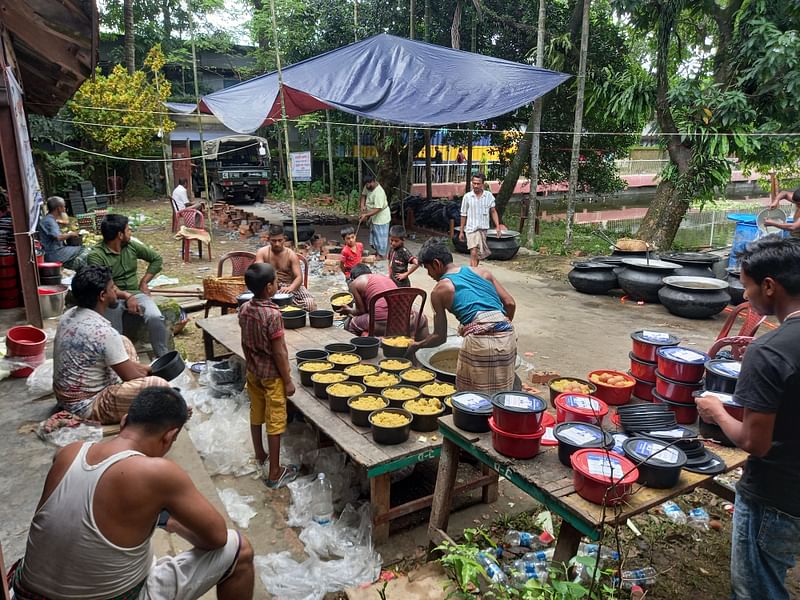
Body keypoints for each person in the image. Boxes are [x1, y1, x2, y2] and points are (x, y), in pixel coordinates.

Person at [11, 387, 254, 599]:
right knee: (238, 549)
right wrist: (172, 523)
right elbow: (217, 538)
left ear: (125, 420)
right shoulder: (159, 473)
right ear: (170, 437)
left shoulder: (69, 452)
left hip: (24, 593)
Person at [695, 236, 800, 600]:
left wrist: (717, 411)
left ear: (769, 286)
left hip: (777, 493)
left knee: (758, 590)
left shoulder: (770, 352)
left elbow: (754, 442)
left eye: (746, 287)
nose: (744, 299)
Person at [53, 265, 171, 424]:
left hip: (65, 395)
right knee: (160, 386)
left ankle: (127, 382)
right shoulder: (104, 332)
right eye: (112, 287)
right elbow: (132, 377)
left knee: (123, 341)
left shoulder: (69, 314)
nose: (116, 290)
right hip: (86, 406)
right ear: (102, 295)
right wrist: (151, 370)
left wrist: (143, 369)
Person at [408, 239, 516, 394]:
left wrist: (417, 345)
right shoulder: (482, 272)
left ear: (436, 264)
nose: (429, 274)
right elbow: (510, 303)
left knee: (473, 396)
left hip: (479, 344)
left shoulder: (439, 291)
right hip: (508, 336)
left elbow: (439, 337)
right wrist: (500, 327)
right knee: (501, 392)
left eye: (427, 269)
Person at [239, 263, 298, 489]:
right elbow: (279, 351)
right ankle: (275, 471)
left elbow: (246, 341)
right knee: (275, 420)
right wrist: (288, 381)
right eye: (275, 282)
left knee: (257, 412)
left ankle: (260, 454)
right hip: (272, 376)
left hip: (253, 372)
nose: (278, 285)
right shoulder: (272, 314)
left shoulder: (244, 309)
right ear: (269, 288)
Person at [87, 214, 171, 357]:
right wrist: (126, 296)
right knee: (113, 332)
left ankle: (163, 356)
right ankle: (120, 361)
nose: (130, 232)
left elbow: (156, 259)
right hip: (111, 298)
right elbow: (104, 283)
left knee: (155, 317)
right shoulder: (96, 255)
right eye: (128, 229)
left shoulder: (131, 246)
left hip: (135, 293)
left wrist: (144, 282)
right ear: (120, 235)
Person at [337, 264, 428, 338]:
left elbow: (361, 311)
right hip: (406, 320)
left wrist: (348, 310)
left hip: (382, 324)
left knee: (353, 323)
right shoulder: (382, 277)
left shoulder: (355, 283)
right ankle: (421, 350)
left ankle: (360, 352)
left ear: (353, 278)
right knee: (423, 318)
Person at [254, 224, 317, 312]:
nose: (277, 244)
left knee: (310, 305)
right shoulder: (262, 252)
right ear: (268, 239)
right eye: (274, 241)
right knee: (256, 305)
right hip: (270, 286)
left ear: (284, 239)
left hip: (290, 285)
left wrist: (290, 288)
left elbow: (299, 278)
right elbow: (259, 272)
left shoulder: (291, 254)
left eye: (280, 240)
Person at [459, 173, 502, 267]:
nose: (476, 186)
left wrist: (498, 226)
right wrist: (461, 231)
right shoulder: (467, 197)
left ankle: (474, 270)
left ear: (482, 184)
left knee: (478, 253)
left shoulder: (489, 196)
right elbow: (463, 214)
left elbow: (493, 211)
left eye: (478, 183)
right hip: (471, 229)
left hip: (483, 229)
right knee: (473, 251)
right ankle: (472, 274)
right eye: (474, 183)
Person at [37, 196, 89, 270]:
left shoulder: (48, 219)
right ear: (59, 208)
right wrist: (71, 234)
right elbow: (59, 237)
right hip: (54, 253)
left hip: (51, 252)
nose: (65, 209)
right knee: (83, 249)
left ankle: (72, 267)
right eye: (64, 207)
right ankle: (80, 268)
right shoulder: (50, 221)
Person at [358, 174, 391, 260]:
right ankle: (377, 251)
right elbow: (363, 195)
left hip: (381, 216)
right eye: (366, 184)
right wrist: (362, 206)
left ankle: (381, 255)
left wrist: (366, 215)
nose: (367, 186)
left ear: (373, 181)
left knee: (381, 237)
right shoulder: (368, 186)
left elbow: (378, 209)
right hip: (373, 216)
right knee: (374, 235)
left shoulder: (379, 192)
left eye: (369, 184)